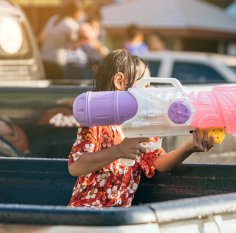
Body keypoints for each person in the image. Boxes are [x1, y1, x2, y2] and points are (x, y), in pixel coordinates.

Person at [68, 49, 214, 208]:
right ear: (120, 81)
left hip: (117, 217)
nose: (150, 90)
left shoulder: (143, 122)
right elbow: (76, 166)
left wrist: (190, 147)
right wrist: (118, 150)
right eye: (146, 84)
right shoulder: (96, 121)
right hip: (85, 214)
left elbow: (158, 162)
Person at [39, 0, 84, 79]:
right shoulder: (71, 24)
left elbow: (41, 38)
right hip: (57, 61)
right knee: (57, 88)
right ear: (75, 12)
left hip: (44, 58)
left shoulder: (53, 19)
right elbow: (75, 46)